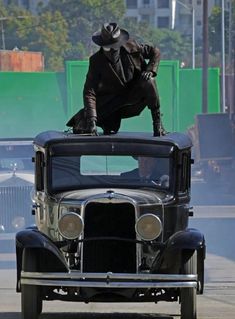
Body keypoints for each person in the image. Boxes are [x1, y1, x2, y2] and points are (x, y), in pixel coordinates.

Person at [67, 22, 166, 136]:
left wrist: (150, 70)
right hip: (112, 101)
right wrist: (92, 120)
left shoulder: (132, 46)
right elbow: (90, 92)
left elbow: (155, 52)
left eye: (115, 46)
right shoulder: (96, 61)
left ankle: (157, 123)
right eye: (108, 48)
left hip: (136, 93)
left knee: (149, 80)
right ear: (102, 45)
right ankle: (101, 123)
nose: (112, 50)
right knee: (83, 124)